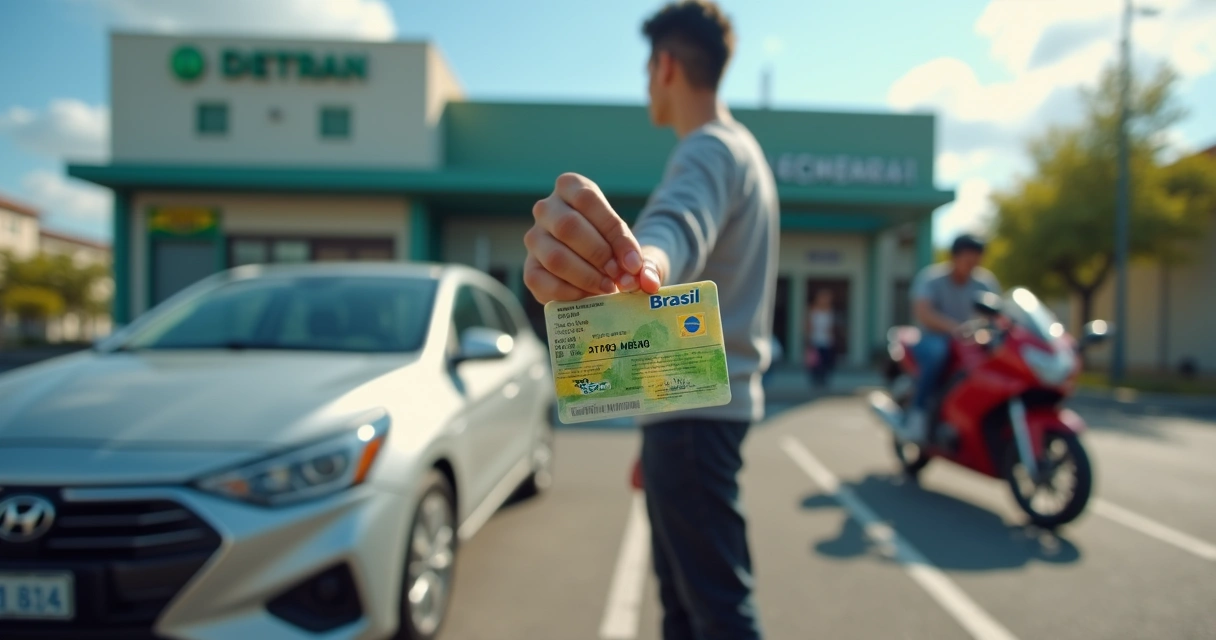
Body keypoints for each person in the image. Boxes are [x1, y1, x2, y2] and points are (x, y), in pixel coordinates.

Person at [521, 2, 777, 637]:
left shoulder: (708, 153)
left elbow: (676, 227)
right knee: (691, 611)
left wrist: (642, 264)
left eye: (645, 68)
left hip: (694, 425)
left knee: (714, 615)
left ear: (664, 66)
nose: (645, 83)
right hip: (694, 415)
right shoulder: (745, 152)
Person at [897, 233, 1001, 444]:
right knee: (937, 354)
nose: (973, 264)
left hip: (970, 343)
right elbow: (923, 312)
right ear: (954, 257)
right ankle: (919, 413)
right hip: (934, 338)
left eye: (976, 259)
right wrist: (955, 328)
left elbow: (1000, 314)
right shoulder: (931, 279)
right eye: (968, 259)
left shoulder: (985, 282)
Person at [805, 289, 838, 389]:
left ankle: (824, 380)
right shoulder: (812, 311)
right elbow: (808, 326)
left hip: (827, 341)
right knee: (815, 362)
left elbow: (831, 327)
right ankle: (816, 380)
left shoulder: (830, 311)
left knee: (826, 362)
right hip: (815, 340)